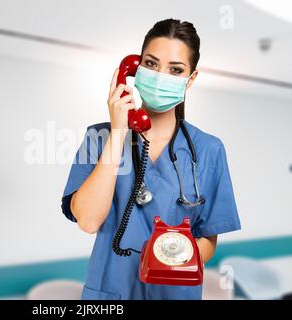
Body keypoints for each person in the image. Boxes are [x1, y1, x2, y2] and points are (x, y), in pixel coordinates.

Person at [60, 18, 241, 300]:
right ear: (134, 68)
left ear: (190, 80)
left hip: (175, 293)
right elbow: (88, 221)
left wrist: (173, 254)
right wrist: (119, 131)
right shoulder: (98, 137)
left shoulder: (209, 149)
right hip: (110, 295)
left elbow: (208, 240)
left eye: (176, 69)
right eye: (151, 64)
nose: (160, 76)